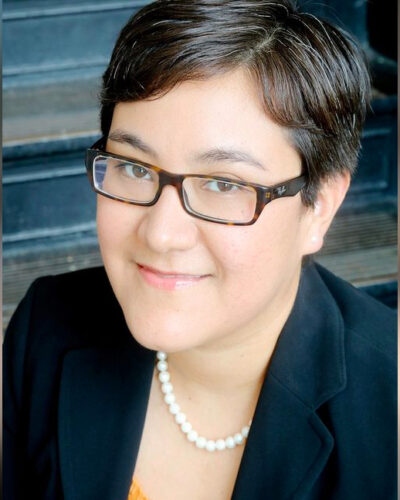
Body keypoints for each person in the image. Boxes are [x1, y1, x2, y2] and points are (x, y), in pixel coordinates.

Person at [4, 1, 396, 499]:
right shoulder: (48, 328)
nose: (162, 234)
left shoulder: (390, 407)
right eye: (134, 166)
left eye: (224, 183)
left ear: (320, 207)